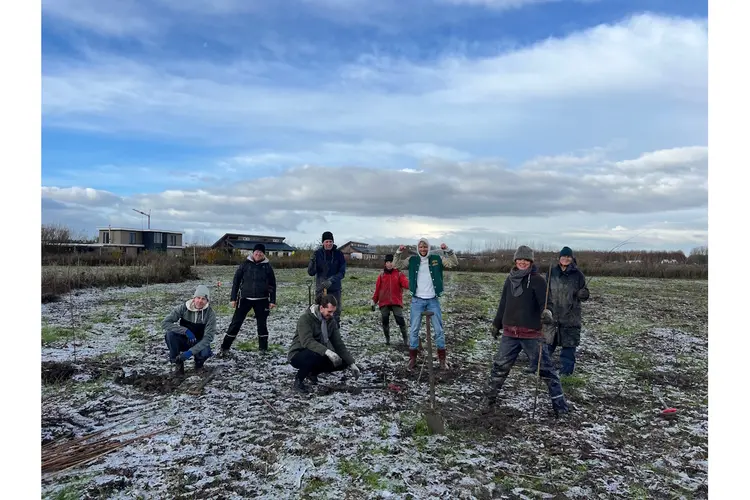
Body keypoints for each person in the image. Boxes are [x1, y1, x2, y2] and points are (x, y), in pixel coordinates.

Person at [485, 245, 569, 417]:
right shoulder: (509, 280)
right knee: (499, 368)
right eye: (519, 259)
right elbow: (503, 304)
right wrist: (496, 324)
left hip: (531, 335)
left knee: (547, 371)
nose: (522, 262)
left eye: (526, 260)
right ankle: (488, 401)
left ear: (531, 262)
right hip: (510, 333)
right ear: (515, 260)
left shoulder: (538, 280)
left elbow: (547, 304)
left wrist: (547, 313)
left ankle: (561, 408)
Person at [393, 238, 458, 370]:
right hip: (417, 300)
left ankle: (442, 360)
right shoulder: (412, 260)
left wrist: (448, 251)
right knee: (414, 330)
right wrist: (399, 252)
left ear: (428, 248)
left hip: (432, 300)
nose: (423, 249)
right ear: (418, 248)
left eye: (425, 247)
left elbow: (453, 263)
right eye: (421, 247)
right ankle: (412, 359)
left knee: (439, 330)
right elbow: (396, 265)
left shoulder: (436, 259)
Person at [287, 294, 361, 393]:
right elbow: (307, 341)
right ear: (321, 308)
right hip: (299, 354)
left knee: (341, 362)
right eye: (329, 312)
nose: (331, 315)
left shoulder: (331, 321)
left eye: (333, 312)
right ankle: (298, 381)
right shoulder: (305, 319)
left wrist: (351, 364)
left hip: (319, 353)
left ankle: (312, 373)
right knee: (313, 355)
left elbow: (338, 344)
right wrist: (328, 352)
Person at [220, 243, 277, 355]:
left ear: (263, 254)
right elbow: (236, 282)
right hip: (244, 299)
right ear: (253, 252)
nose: (258, 254)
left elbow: (272, 285)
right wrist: (233, 298)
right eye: (256, 252)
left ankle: (263, 349)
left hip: (262, 299)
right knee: (235, 323)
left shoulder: (267, 267)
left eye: (261, 252)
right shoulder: (245, 265)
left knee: (262, 325)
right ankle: (224, 348)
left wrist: (272, 300)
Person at [543, 246, 590, 376]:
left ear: (572, 258)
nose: (566, 259)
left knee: (569, 347)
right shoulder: (551, 272)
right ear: (559, 258)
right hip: (553, 314)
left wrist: (583, 293)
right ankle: (542, 368)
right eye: (563, 256)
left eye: (568, 257)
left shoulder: (578, 274)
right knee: (547, 345)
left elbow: (585, 293)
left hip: (571, 315)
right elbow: (545, 292)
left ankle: (566, 373)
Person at [162, 285, 217, 375]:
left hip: (199, 342)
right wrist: (185, 331)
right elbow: (165, 323)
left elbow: (209, 337)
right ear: (194, 298)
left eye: (203, 299)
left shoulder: (210, 314)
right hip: (184, 340)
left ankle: (199, 365)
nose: (200, 301)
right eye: (198, 298)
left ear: (207, 301)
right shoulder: (183, 308)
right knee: (170, 334)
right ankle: (178, 363)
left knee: (205, 352)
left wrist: (190, 352)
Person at [307, 231, 347, 327]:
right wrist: (312, 262)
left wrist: (331, 280)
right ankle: (321, 335)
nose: (328, 244)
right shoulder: (318, 254)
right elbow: (311, 272)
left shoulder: (339, 254)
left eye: (330, 241)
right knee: (320, 312)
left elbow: (342, 273)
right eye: (326, 241)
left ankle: (334, 334)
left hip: (335, 289)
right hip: (320, 289)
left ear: (333, 242)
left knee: (335, 313)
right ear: (323, 243)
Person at [371, 254, 410, 346]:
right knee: (385, 321)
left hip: (396, 302)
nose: (389, 264)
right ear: (385, 264)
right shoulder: (381, 275)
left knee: (400, 320)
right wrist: (374, 301)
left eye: (391, 262)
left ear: (394, 263)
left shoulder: (399, 274)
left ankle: (405, 339)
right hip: (384, 302)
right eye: (387, 262)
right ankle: (387, 339)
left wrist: (413, 284)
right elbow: (377, 290)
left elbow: (406, 284)